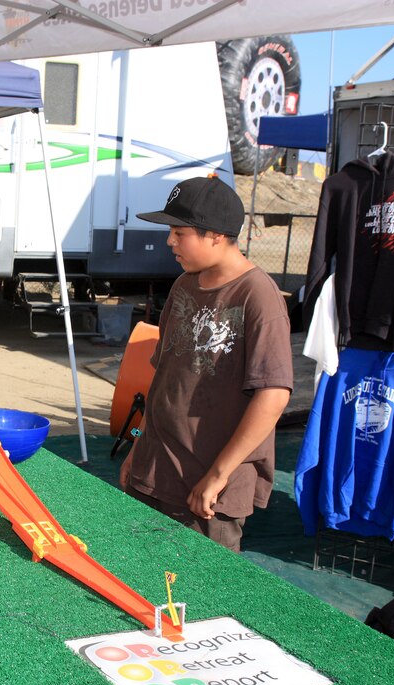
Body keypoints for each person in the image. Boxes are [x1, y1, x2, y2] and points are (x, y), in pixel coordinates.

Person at [119, 176, 293, 552]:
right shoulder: (184, 285)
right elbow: (164, 379)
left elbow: (273, 397)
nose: (170, 242)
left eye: (179, 233)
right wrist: (137, 447)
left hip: (205, 492)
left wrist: (217, 476)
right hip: (153, 473)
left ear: (215, 235)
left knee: (197, 605)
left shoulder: (257, 297)